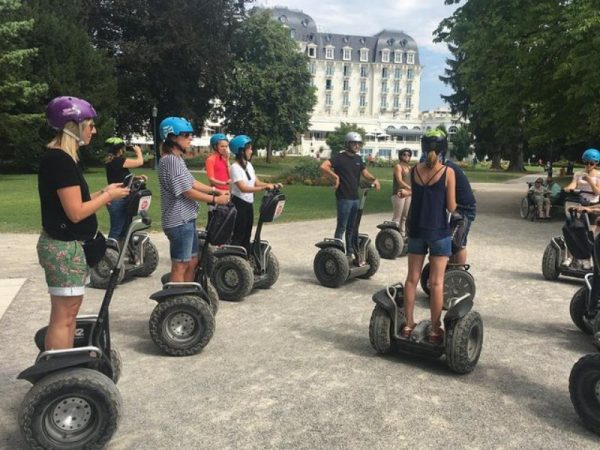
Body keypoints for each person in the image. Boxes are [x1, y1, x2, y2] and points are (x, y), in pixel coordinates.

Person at [38, 96, 130, 350]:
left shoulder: (64, 159)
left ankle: (61, 369)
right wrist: (109, 197)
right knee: (64, 318)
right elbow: (76, 212)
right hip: (64, 248)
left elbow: (73, 202)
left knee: (68, 315)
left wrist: (103, 192)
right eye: (89, 125)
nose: (94, 130)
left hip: (69, 247)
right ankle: (58, 375)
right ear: (73, 126)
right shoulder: (60, 160)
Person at [158, 117, 230, 283]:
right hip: (178, 221)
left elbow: (192, 182)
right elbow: (188, 192)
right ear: (173, 137)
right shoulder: (169, 161)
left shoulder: (178, 159)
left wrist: (215, 190)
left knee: (192, 262)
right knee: (180, 265)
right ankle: (177, 300)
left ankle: (187, 295)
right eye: (186, 134)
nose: (190, 137)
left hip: (186, 219)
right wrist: (216, 199)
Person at [402, 129, 456, 344]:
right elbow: (451, 206)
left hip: (416, 230)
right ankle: (435, 329)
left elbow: (417, 196)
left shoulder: (413, 171)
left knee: (412, 279)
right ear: (442, 148)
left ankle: (408, 324)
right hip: (438, 232)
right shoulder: (447, 172)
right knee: (436, 283)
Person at [320, 132, 380, 261]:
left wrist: (374, 179)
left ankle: (349, 253)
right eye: (354, 143)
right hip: (344, 198)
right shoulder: (339, 158)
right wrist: (335, 177)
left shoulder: (358, 159)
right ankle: (335, 252)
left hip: (355, 198)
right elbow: (324, 166)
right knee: (342, 226)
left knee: (352, 227)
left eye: (358, 143)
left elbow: (365, 173)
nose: (357, 145)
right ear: (347, 144)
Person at [228, 135, 277, 254]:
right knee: (239, 233)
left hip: (248, 203)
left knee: (247, 232)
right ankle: (234, 259)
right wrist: (263, 188)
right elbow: (243, 188)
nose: (251, 151)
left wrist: (272, 184)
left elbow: (257, 182)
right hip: (238, 203)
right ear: (241, 151)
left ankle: (245, 259)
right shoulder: (235, 167)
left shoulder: (249, 165)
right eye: (249, 148)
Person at [104, 137, 145, 241]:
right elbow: (140, 162)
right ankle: (110, 254)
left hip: (121, 198)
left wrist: (137, 178)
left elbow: (122, 178)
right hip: (118, 200)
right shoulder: (118, 160)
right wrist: (138, 151)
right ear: (120, 150)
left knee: (124, 229)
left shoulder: (112, 161)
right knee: (117, 230)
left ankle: (121, 253)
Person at [444, 158, 477, 264]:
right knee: (452, 241)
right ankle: (452, 269)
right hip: (461, 206)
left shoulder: (448, 169)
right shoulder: (449, 166)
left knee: (459, 243)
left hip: (465, 208)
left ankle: (459, 271)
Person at [205, 133, 231, 221]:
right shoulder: (210, 160)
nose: (225, 149)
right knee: (214, 221)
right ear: (215, 146)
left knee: (226, 221)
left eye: (226, 146)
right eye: (222, 146)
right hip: (215, 193)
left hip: (226, 192)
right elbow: (211, 179)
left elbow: (230, 176)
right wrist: (225, 183)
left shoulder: (224, 159)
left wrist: (227, 162)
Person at [392, 149, 412, 237]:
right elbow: (399, 181)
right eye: (404, 154)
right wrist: (409, 187)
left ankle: (402, 235)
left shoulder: (409, 168)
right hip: (398, 194)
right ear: (400, 156)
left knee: (404, 217)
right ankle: (393, 235)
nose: (406, 156)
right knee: (397, 217)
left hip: (408, 194)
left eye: (408, 155)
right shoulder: (398, 166)